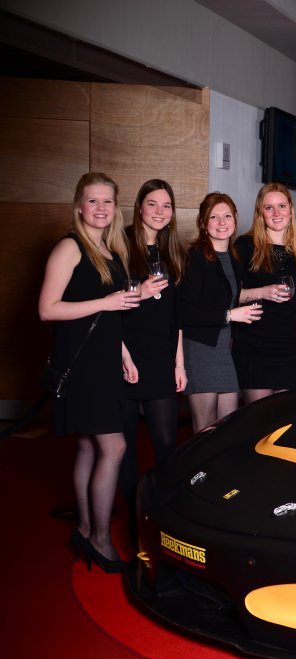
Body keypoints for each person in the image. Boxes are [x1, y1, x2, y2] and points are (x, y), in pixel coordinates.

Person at [37, 172, 142, 573]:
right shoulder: (70, 247)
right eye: (93, 201)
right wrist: (106, 302)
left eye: (107, 201)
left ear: (116, 208)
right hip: (82, 366)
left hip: (104, 361)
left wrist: (124, 354)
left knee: (88, 446)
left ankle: (84, 529)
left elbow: (109, 316)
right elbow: (47, 309)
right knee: (113, 448)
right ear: (79, 205)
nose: (101, 208)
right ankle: (99, 539)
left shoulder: (109, 249)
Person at [117, 179, 185, 538]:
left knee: (166, 444)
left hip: (160, 357)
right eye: (153, 204)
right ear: (139, 207)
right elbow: (107, 309)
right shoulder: (119, 245)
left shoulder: (173, 251)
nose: (160, 212)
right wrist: (123, 356)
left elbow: (176, 318)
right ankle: (133, 519)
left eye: (166, 205)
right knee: (125, 446)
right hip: (125, 355)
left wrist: (179, 363)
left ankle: (164, 519)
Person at [178, 192, 262, 432]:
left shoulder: (233, 257)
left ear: (235, 220)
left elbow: (230, 295)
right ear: (203, 223)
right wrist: (230, 315)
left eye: (227, 216)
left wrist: (263, 294)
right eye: (214, 217)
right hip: (200, 351)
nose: (222, 222)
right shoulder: (195, 257)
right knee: (205, 430)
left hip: (224, 351)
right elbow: (185, 313)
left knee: (228, 429)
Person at [232, 183, 296, 402]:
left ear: (290, 210)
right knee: (258, 418)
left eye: (282, 206)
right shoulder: (245, 246)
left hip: (291, 349)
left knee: (286, 419)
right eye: (269, 207)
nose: (276, 213)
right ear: (260, 212)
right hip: (253, 346)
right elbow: (229, 296)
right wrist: (262, 292)